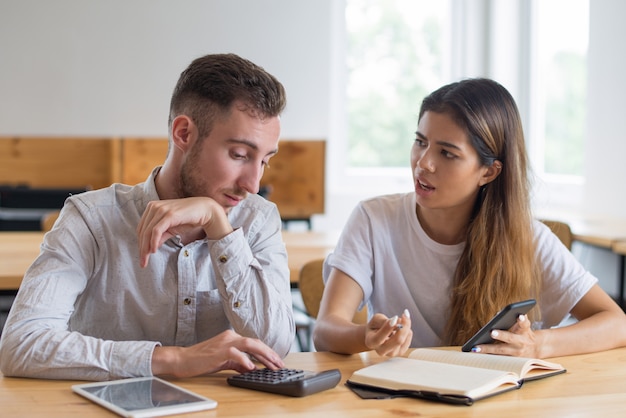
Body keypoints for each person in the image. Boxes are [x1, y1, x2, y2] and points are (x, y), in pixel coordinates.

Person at [0, 53, 295, 380]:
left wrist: (220, 228)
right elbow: (20, 344)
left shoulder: (258, 220)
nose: (252, 185)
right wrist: (172, 361)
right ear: (183, 134)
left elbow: (275, 346)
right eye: (240, 155)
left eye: (265, 160)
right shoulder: (91, 219)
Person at [313, 78, 626, 359]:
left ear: (488, 172)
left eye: (447, 153)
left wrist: (539, 344)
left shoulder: (528, 238)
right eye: (420, 141)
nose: (424, 163)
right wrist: (366, 336)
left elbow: (616, 323)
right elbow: (325, 330)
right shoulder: (373, 220)